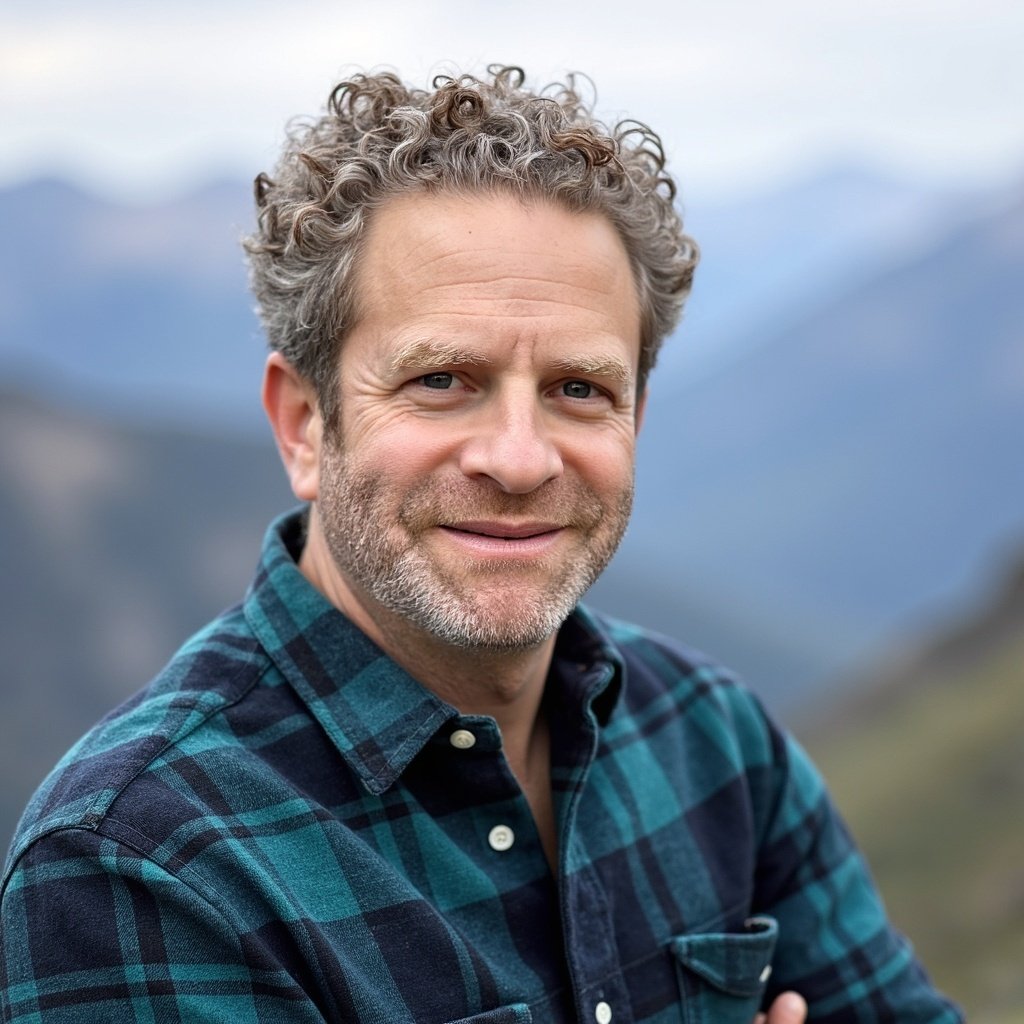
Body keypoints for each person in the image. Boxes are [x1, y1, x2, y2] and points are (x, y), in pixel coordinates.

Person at [0, 66, 960, 1024]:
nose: (518, 458)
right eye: (444, 379)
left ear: (636, 418)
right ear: (304, 424)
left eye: (579, 389)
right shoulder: (137, 865)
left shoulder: (715, 746)